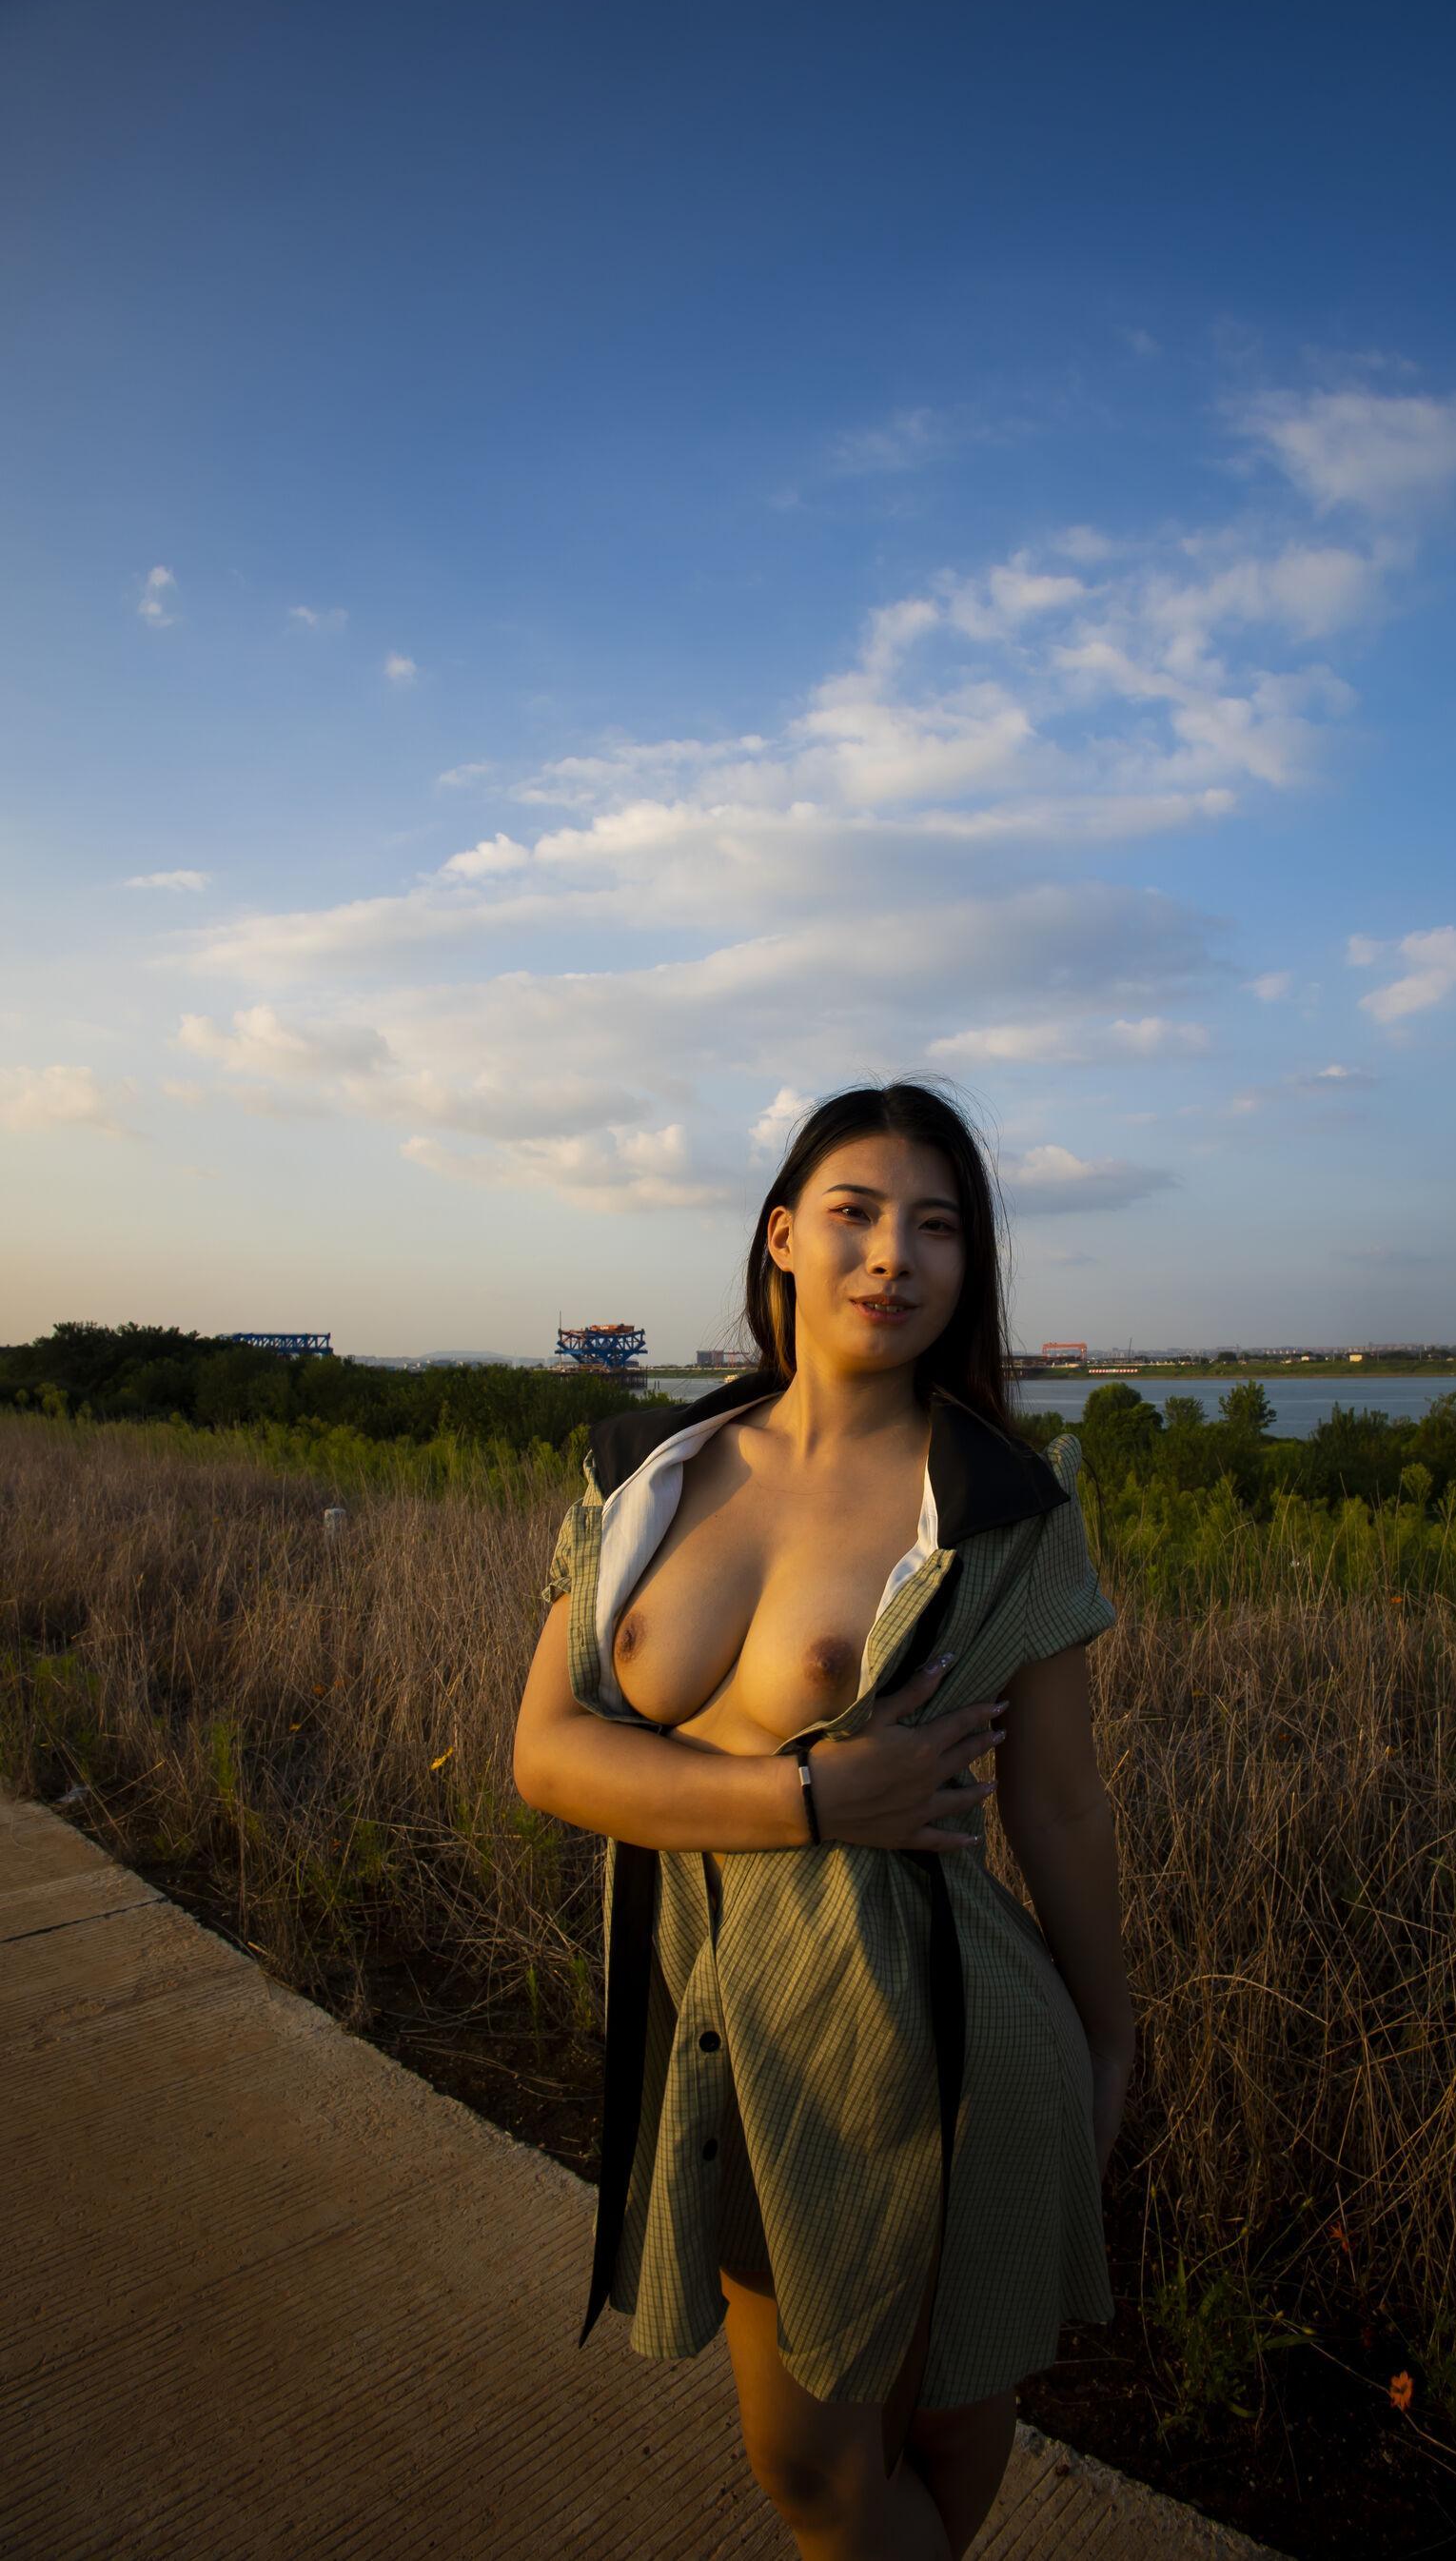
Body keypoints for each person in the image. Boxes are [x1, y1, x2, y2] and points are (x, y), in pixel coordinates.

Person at [513, 1078, 1134, 2561]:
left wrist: (1113, 2039)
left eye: (938, 1227)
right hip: (722, 2029)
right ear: (783, 1236)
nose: (894, 1255)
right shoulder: (646, 1473)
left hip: (934, 2030)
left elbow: (1058, 1802)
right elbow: (545, 1754)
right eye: (855, 1213)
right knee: (821, 2460)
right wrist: (808, 1796)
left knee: (903, 2436)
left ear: (970, 1266)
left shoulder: (1001, 1508)